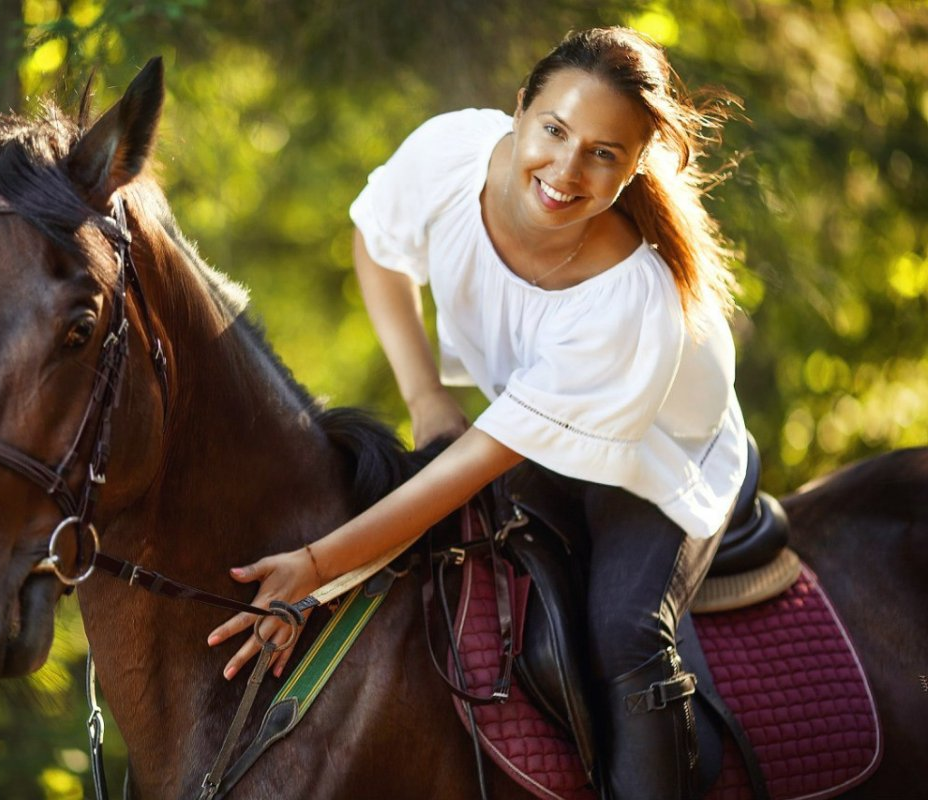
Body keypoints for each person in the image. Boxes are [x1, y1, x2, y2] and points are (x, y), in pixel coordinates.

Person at [208, 26, 746, 799]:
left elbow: (469, 469)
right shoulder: (453, 153)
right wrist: (427, 397)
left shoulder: (629, 299)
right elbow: (378, 244)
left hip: (660, 455)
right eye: (555, 129)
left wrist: (319, 569)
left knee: (627, 629)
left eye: (603, 153)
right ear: (520, 108)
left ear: (633, 171)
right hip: (535, 421)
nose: (565, 169)